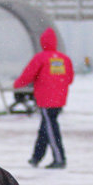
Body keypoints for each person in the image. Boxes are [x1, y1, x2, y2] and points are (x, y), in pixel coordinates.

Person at [14, 27, 74, 169]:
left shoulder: (41, 58)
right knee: (45, 127)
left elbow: (28, 74)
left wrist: (17, 84)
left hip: (46, 99)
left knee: (51, 128)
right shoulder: (64, 59)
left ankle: (59, 158)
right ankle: (36, 157)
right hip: (59, 99)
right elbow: (69, 78)